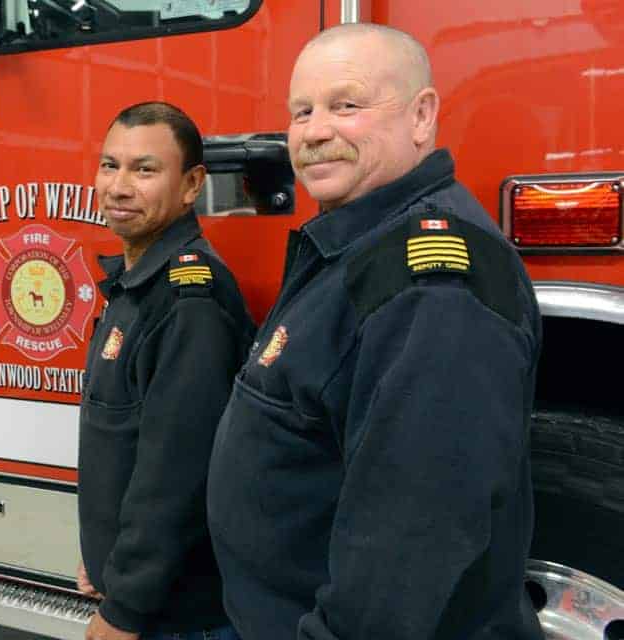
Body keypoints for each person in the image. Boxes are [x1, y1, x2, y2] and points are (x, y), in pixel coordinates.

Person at [207, 24, 545, 640]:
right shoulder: (362, 245)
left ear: (422, 116)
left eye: (346, 105)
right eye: (301, 111)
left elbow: (410, 544)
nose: (314, 132)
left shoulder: (432, 290)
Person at [77, 101, 255, 640]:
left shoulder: (189, 304)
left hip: (177, 619)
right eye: (110, 165)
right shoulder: (138, 286)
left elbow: (176, 477)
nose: (119, 187)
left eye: (145, 170)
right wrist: (104, 557)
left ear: (191, 184)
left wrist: (125, 606)